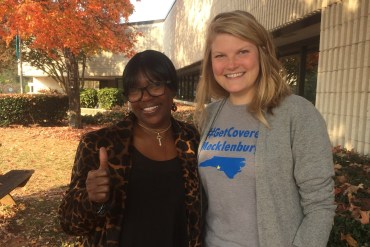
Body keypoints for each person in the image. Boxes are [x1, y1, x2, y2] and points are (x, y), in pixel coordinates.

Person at [194, 10, 335, 247]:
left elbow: (320, 205)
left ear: (262, 53)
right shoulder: (207, 116)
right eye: (220, 55)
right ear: (211, 62)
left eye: (243, 51)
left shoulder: (297, 114)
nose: (231, 64)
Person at [58, 50, 202, 247]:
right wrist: (93, 201)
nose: (145, 97)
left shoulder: (192, 139)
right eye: (135, 90)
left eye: (156, 85)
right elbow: (69, 224)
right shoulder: (100, 145)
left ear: (172, 89)